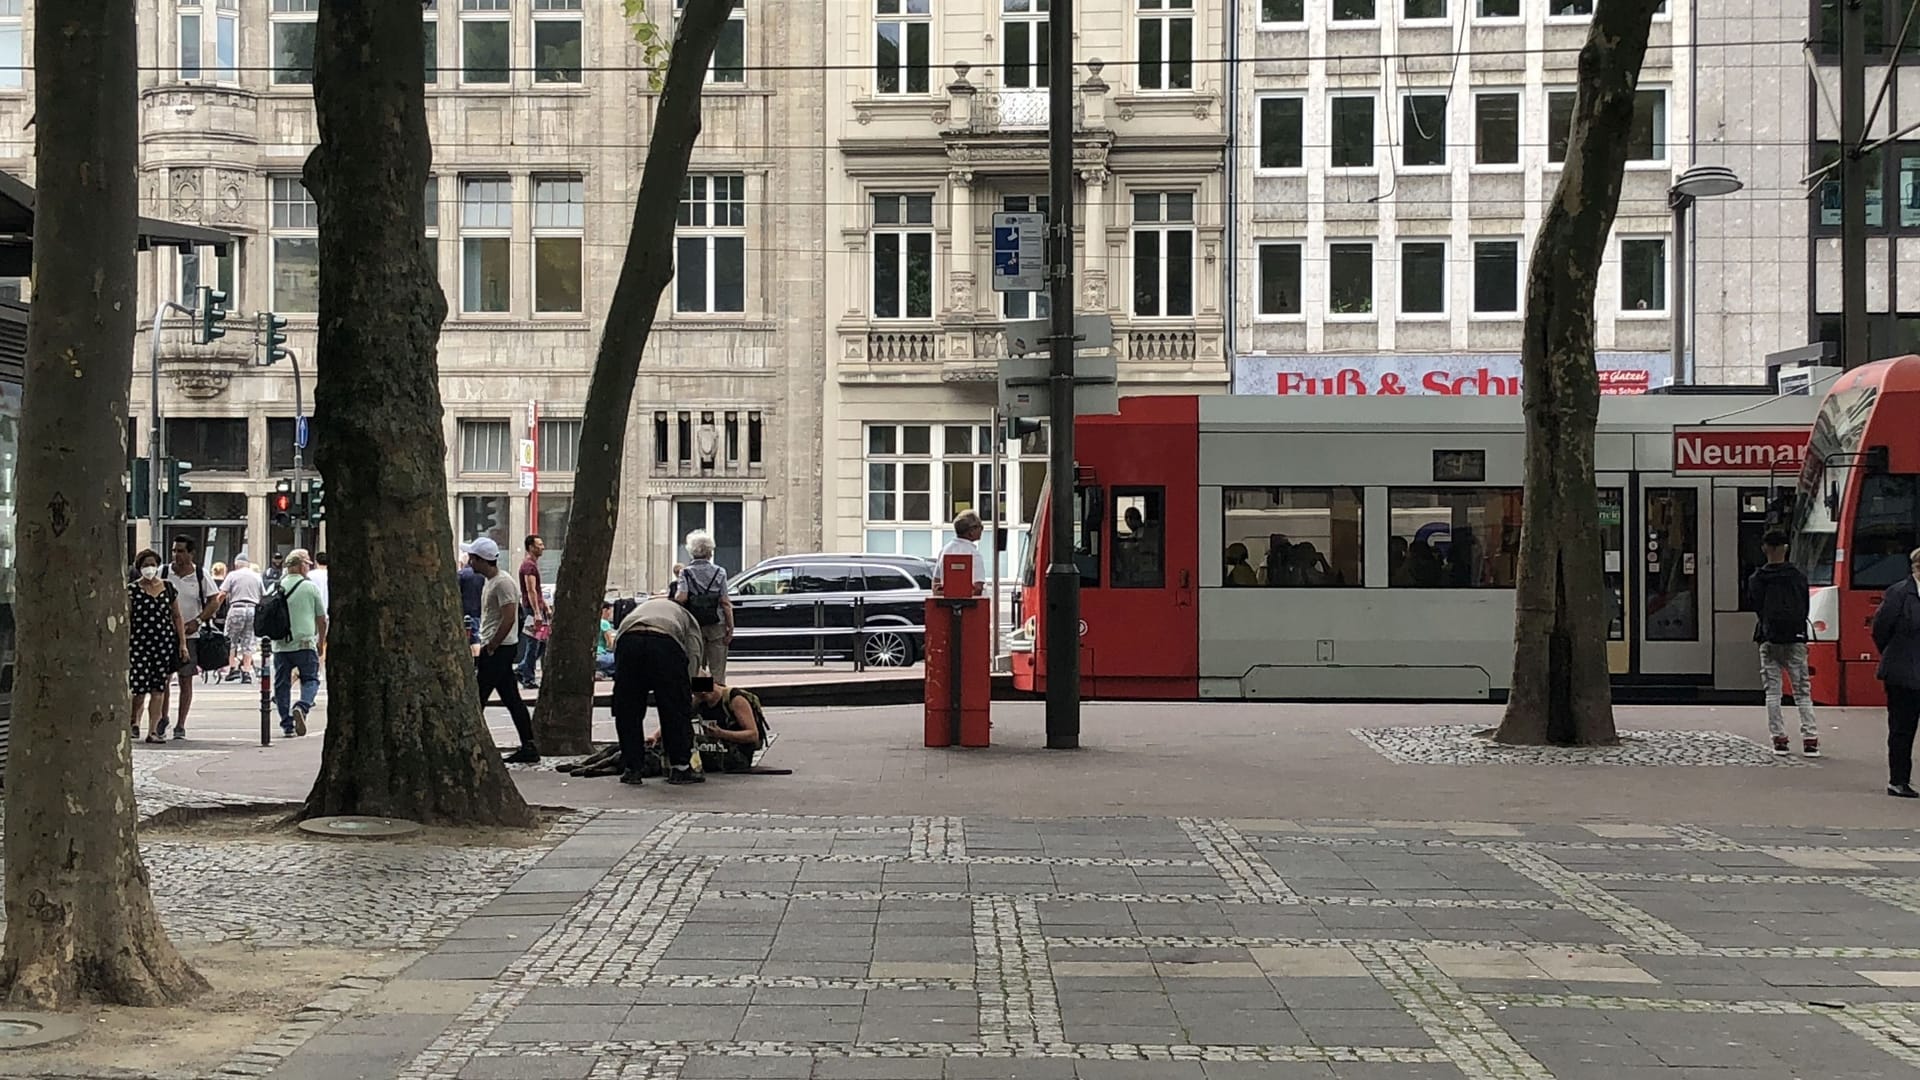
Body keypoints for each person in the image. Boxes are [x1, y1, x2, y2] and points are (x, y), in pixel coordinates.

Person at [611, 596, 707, 786]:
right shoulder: (688, 618)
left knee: (628, 708)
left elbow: (617, 647)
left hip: (629, 639)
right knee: (673, 707)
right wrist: (689, 693)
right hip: (664, 642)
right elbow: (695, 659)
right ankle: (680, 767)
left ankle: (632, 768)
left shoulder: (642, 608)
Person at [1747, 529, 1819, 757]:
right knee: (1802, 691)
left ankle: (1779, 739)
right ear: (1786, 548)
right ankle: (1810, 739)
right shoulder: (1798, 576)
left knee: (1773, 692)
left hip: (1768, 639)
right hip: (1795, 638)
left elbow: (1756, 606)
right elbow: (1804, 607)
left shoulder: (1757, 578)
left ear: (1764, 548)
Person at [470, 537, 539, 763]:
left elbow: (509, 617)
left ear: (482, 560)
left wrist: (492, 645)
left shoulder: (503, 583)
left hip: (499, 650)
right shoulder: (491, 582)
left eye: (473, 558)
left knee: (478, 696)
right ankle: (529, 746)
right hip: (496, 648)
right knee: (511, 698)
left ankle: (473, 745)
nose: (469, 562)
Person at [1873, 546, 1920, 798]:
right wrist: (1894, 654)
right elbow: (1881, 628)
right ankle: (1898, 780)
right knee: (1902, 728)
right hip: (1903, 672)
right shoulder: (1899, 593)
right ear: (1915, 568)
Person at [128, 549, 189, 744]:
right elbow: (128, 619)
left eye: (152, 564)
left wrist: (182, 644)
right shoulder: (132, 590)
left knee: (159, 688)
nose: (149, 568)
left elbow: (177, 617)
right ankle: (133, 721)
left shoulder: (168, 588)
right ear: (139, 568)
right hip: (139, 644)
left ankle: (153, 730)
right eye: (145, 565)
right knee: (138, 688)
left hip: (163, 644)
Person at [166, 534, 223, 740]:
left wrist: (198, 621)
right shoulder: (165, 572)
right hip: (165, 633)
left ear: (191, 553)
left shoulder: (200, 575)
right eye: (174, 550)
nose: (176, 555)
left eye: (180, 551)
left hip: (190, 634)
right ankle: (162, 717)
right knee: (163, 680)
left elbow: (214, 600)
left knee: (185, 679)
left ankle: (180, 724)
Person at [270, 549, 327, 738]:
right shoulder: (309, 587)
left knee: (282, 684)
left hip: (281, 644)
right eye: (306, 564)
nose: (308, 567)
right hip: (304, 642)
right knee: (310, 679)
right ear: (300, 565)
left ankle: (287, 724)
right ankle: (302, 707)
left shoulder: (277, 586)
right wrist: (321, 640)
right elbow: (321, 618)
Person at [675, 530, 733, 682]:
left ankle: (702, 699)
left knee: (699, 668)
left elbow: (682, 597)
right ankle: (717, 700)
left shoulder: (685, 573)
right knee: (717, 669)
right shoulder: (720, 572)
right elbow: (725, 602)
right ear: (710, 552)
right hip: (717, 624)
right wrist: (730, 627)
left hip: (694, 625)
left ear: (691, 551)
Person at [692, 682, 769, 773]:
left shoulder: (735, 699)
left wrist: (721, 733)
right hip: (714, 750)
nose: (704, 696)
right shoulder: (699, 701)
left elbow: (753, 735)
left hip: (737, 753)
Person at [220, 555, 265, 685]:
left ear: (236, 564)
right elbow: (263, 595)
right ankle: (246, 671)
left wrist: (215, 608)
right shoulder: (256, 576)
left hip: (237, 607)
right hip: (252, 609)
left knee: (230, 639)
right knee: (249, 640)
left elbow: (223, 593)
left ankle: (232, 667)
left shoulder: (232, 575)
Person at [516, 535, 550, 689]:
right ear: (531, 547)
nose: (542, 547)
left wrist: (545, 606)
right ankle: (527, 677)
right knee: (534, 643)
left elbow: (536, 590)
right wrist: (537, 612)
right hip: (531, 610)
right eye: (539, 544)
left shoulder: (531, 565)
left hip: (536, 609)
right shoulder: (529, 566)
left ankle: (522, 669)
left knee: (541, 642)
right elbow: (531, 590)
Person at [934, 510, 988, 596]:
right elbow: (978, 587)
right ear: (971, 531)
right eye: (980, 527)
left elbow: (936, 581)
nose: (982, 530)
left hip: (945, 604)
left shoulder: (944, 550)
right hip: (970, 607)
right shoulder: (974, 554)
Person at [458, 551, 485, 645]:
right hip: (478, 611)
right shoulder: (481, 575)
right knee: (476, 637)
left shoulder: (461, 574)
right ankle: (476, 658)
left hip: (464, 611)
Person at [596, 599, 618, 679]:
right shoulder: (604, 623)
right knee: (619, 659)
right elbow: (610, 643)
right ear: (605, 610)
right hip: (601, 656)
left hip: (592, 657)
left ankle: (600, 672)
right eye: (610, 611)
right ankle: (602, 672)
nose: (610, 614)